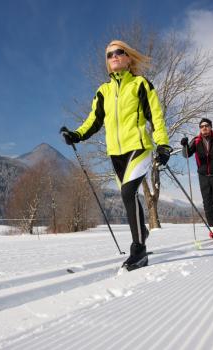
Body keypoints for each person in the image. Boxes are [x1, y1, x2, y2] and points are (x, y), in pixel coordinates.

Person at [60, 40, 171, 270]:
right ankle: (142, 235)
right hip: (115, 153)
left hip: (138, 147)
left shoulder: (141, 84)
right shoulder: (103, 91)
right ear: (108, 63)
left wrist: (162, 144)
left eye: (120, 52)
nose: (115, 57)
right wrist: (76, 134)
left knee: (128, 192)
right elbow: (94, 120)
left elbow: (156, 117)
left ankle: (138, 250)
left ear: (129, 58)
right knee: (128, 195)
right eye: (110, 55)